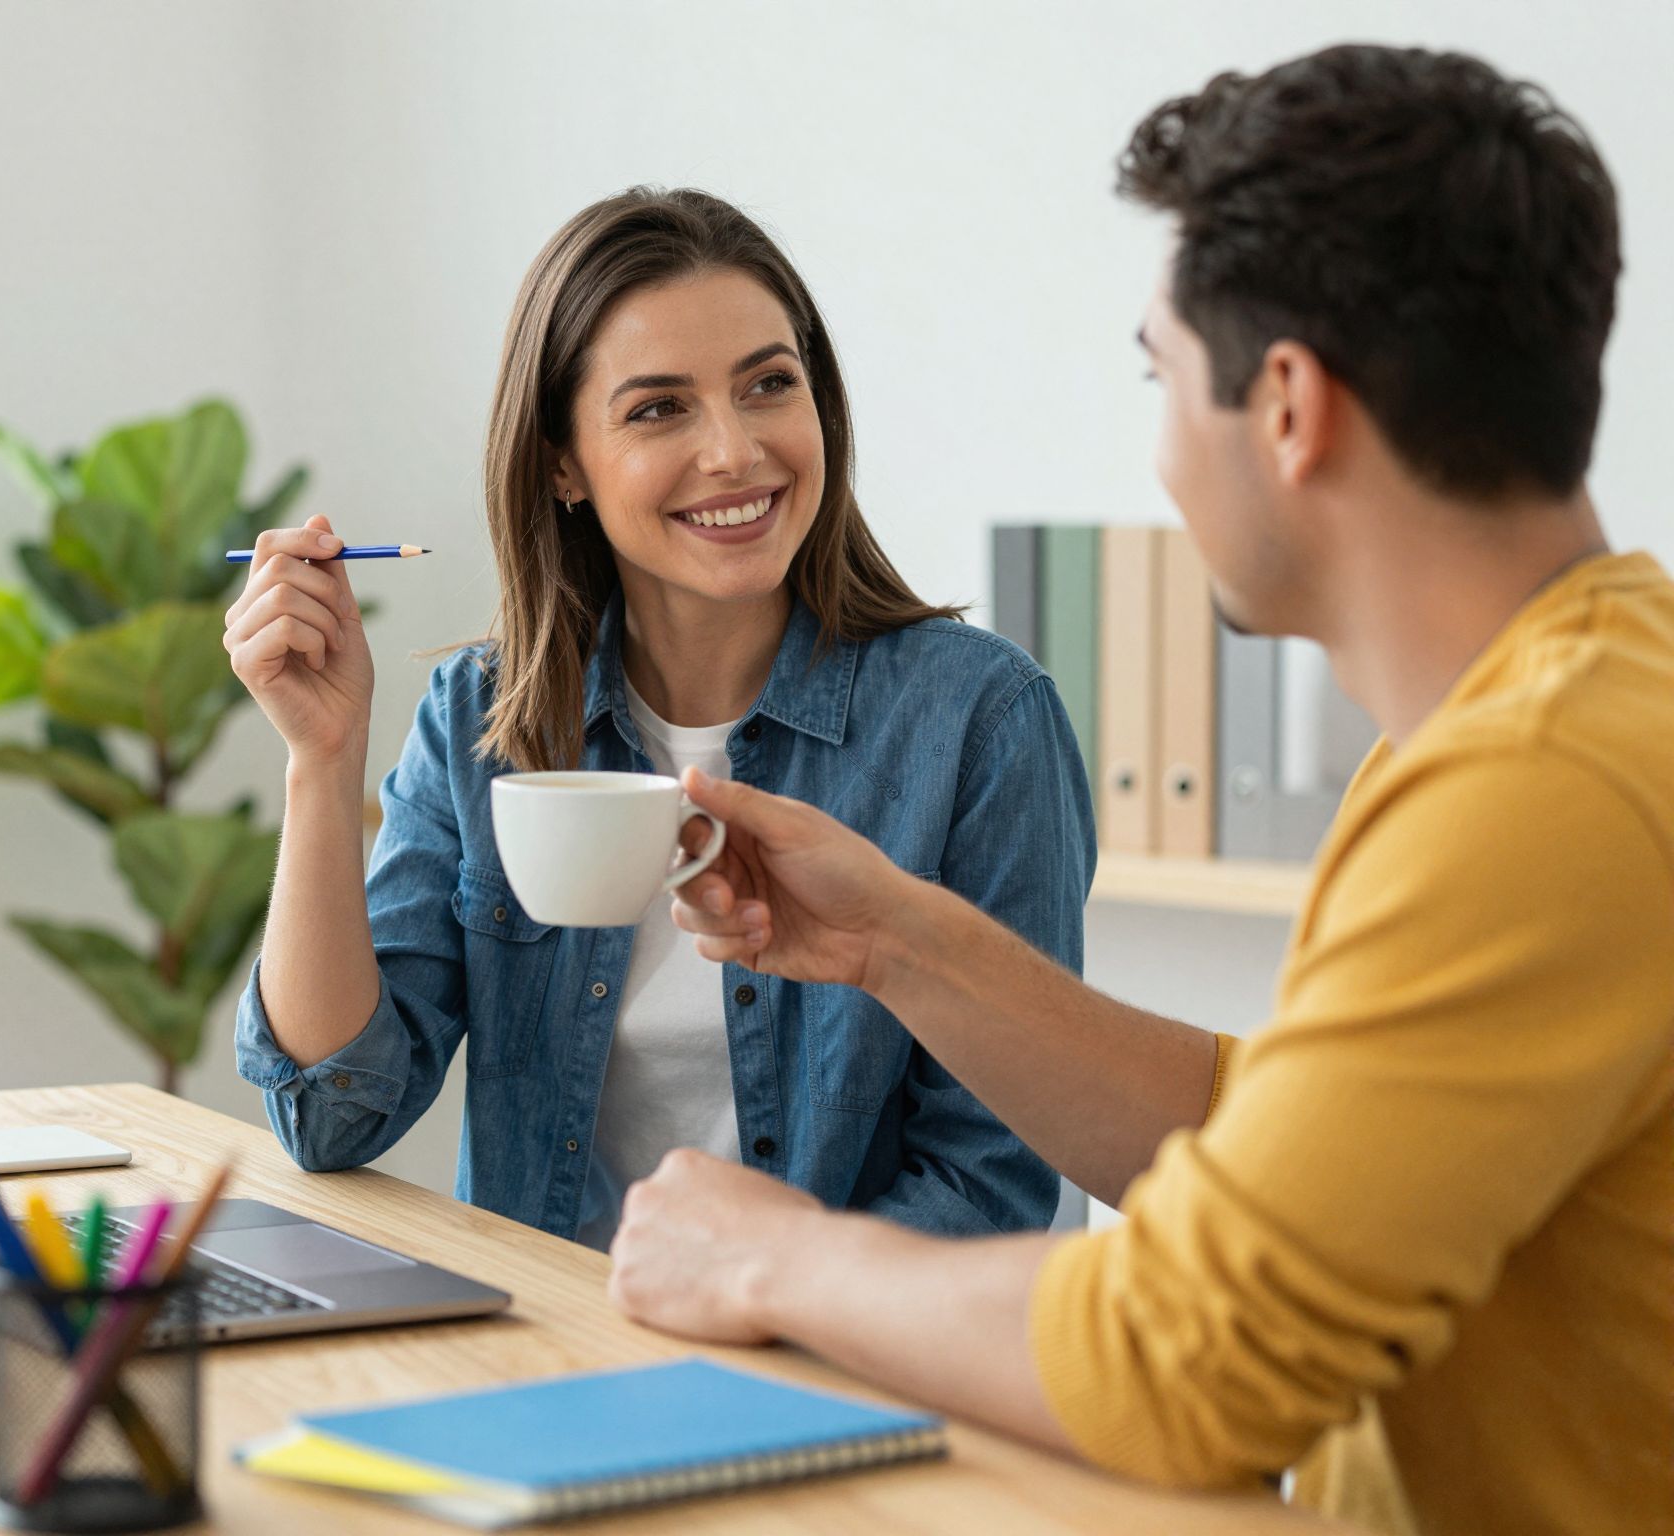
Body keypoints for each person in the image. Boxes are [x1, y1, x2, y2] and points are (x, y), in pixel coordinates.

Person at [607, 46, 1673, 1536]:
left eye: (1160, 376)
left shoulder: (1539, 786)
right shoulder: (1553, 712)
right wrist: (897, 944)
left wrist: (771, 1260)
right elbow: (1287, 1152)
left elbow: (1193, 1358)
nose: (1162, 447)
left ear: (1289, 408)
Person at [224, 188, 1093, 1248]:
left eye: (768, 385)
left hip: (837, 1364)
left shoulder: (980, 723)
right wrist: (320, 759)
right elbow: (332, 1113)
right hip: (554, 1358)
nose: (732, 452)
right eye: (657, 408)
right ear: (559, 464)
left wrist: (746, 1307)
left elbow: (991, 1188)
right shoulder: (479, 721)